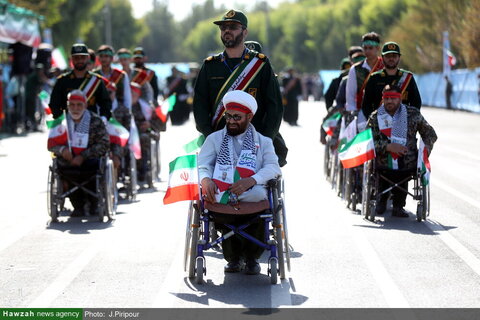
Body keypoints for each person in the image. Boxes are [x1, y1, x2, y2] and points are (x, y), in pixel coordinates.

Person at [198, 90, 281, 275]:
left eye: (237, 117)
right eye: (228, 116)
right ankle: (233, 258)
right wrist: (206, 180)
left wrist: (252, 180)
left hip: (252, 195)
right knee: (218, 197)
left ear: (249, 117)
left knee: (258, 195)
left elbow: (274, 168)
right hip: (220, 194)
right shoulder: (214, 139)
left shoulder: (264, 142)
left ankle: (252, 258)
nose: (231, 121)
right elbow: (202, 164)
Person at [193, 9, 287, 167]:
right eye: (223, 28)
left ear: (245, 32)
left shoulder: (260, 64)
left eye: (232, 27)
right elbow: (199, 106)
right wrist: (211, 138)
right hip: (218, 137)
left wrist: (265, 140)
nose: (227, 31)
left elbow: (274, 107)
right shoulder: (210, 65)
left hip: (256, 138)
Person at [367, 85, 437, 217]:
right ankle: (381, 200)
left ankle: (399, 205)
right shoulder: (376, 117)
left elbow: (430, 134)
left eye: (393, 98)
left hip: (408, 162)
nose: (389, 101)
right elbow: (367, 142)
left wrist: (425, 153)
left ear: (400, 98)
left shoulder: (413, 114)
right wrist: (387, 147)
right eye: (386, 98)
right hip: (382, 163)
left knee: (402, 175)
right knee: (382, 177)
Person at [48, 90, 110, 216]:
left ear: (85, 106)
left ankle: (94, 203)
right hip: (68, 162)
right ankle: (78, 205)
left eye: (79, 105)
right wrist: (62, 150)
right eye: (72, 105)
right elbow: (51, 144)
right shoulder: (61, 121)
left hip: (90, 161)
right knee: (65, 169)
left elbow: (104, 144)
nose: (75, 108)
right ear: (67, 105)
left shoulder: (95, 121)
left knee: (95, 168)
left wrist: (83, 156)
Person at [49, 44, 112, 120]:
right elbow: (54, 104)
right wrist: (61, 121)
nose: (80, 60)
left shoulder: (96, 80)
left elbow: (106, 104)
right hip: (68, 125)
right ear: (72, 59)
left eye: (82, 57)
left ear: (87, 58)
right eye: (76, 57)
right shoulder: (62, 80)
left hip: (91, 125)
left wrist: (103, 119)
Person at [362, 42, 422, 119]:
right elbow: (366, 105)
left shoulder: (407, 77)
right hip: (380, 124)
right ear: (382, 57)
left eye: (394, 56)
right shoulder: (374, 78)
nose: (391, 59)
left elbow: (416, 103)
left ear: (399, 57)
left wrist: (410, 121)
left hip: (403, 122)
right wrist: (374, 122)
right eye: (388, 56)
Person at [346, 32, 384, 131]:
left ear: (378, 48)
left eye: (370, 48)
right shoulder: (355, 69)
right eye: (365, 48)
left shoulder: (385, 66)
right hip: (362, 111)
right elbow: (350, 94)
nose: (367, 51)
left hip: (384, 110)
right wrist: (353, 113)